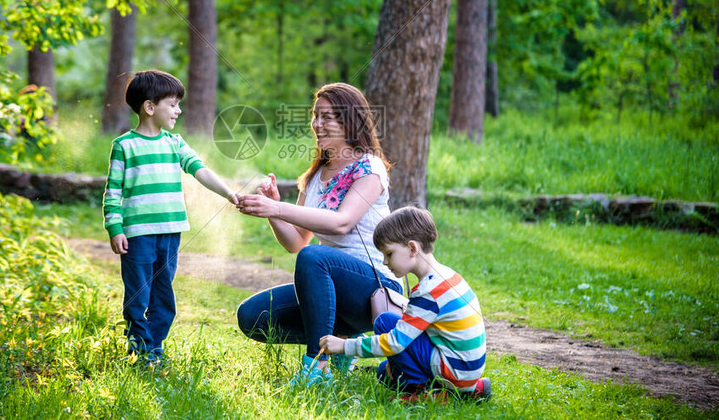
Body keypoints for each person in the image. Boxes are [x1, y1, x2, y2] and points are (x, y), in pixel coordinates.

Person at [235, 82, 402, 384]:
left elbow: (341, 222)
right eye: (315, 116)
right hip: (328, 288)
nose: (317, 124)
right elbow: (297, 242)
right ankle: (341, 346)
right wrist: (272, 209)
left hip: (375, 286)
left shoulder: (369, 168)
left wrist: (277, 209)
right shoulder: (314, 176)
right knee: (252, 317)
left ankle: (317, 367)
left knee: (316, 258)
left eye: (327, 117)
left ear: (349, 120)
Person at [103, 69, 238, 367]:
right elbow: (112, 193)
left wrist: (228, 193)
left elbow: (200, 170)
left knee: (163, 297)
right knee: (138, 297)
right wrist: (115, 228)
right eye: (173, 104)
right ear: (150, 107)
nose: (179, 110)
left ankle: (154, 350)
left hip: (170, 233)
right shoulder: (124, 146)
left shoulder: (174, 143)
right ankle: (141, 351)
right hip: (137, 235)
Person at [319, 206, 490, 402]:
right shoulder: (448, 275)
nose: (384, 262)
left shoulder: (428, 292)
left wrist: (344, 345)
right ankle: (471, 389)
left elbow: (395, 342)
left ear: (412, 248)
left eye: (389, 254)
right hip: (467, 368)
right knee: (384, 373)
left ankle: (422, 393)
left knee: (385, 323)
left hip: (455, 370)